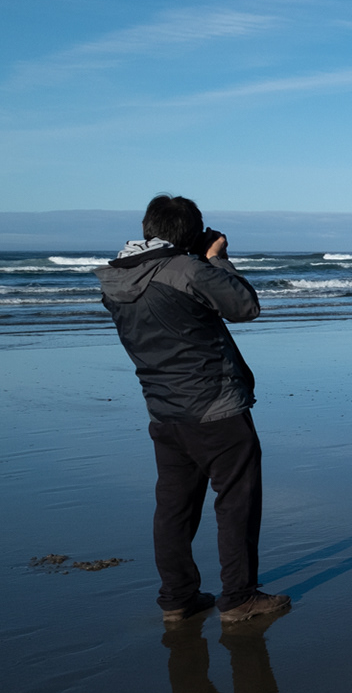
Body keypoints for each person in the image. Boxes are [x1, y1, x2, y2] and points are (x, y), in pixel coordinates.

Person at [97, 195, 291, 623]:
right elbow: (244, 306)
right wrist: (217, 259)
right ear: (191, 231)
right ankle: (239, 599)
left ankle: (178, 598)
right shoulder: (187, 270)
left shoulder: (114, 278)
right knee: (236, 502)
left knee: (173, 507)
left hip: (163, 409)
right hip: (216, 407)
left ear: (149, 228)